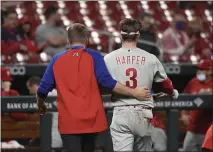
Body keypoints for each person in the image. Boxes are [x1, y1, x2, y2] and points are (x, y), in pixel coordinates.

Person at [36, 23, 151, 152]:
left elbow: (42, 90)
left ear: (68, 41)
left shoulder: (56, 59)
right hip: (92, 121)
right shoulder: (94, 56)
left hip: (69, 121)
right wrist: (134, 92)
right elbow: (107, 82)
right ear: (87, 39)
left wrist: (41, 104)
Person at [104, 18, 179, 151]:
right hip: (143, 112)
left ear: (121, 35)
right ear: (138, 35)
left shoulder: (108, 58)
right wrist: (172, 93)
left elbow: (102, 84)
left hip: (121, 111)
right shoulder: (150, 57)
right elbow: (165, 85)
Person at [181, 59, 212, 151]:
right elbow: (183, 99)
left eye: (202, 69)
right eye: (199, 69)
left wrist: (209, 93)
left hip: (207, 129)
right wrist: (184, 114)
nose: (199, 71)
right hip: (192, 129)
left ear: (210, 71)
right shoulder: (193, 82)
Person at [26, 76, 61, 149]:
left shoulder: (46, 94)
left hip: (54, 135)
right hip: (62, 134)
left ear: (35, 86)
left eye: (29, 88)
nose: (29, 91)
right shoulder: (54, 91)